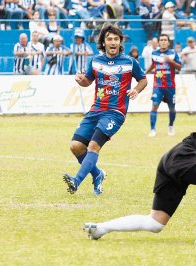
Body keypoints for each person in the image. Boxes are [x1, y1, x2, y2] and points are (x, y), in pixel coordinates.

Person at [63, 24, 148, 195]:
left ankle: (76, 181)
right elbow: (88, 81)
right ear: (103, 41)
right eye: (109, 39)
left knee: (93, 146)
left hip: (115, 113)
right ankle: (98, 174)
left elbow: (143, 80)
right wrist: (81, 80)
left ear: (120, 42)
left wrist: (136, 90)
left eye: (116, 39)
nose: (113, 42)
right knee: (76, 146)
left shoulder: (130, 62)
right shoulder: (95, 61)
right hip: (95, 110)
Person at [145, 33, 181, 137]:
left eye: (165, 40)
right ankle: (152, 130)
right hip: (158, 85)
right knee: (154, 106)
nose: (163, 41)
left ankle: (170, 126)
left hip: (170, 86)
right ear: (159, 42)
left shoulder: (173, 53)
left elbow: (179, 67)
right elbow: (153, 65)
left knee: (172, 108)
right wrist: (145, 73)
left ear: (169, 42)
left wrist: (170, 61)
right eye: (161, 40)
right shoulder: (154, 53)